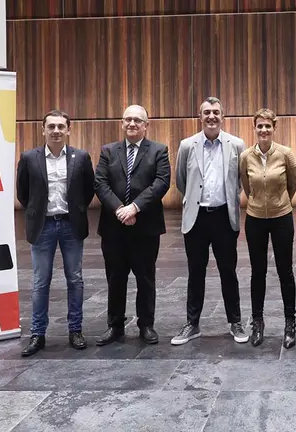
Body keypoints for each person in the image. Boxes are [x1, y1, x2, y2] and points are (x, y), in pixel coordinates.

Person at [16, 109, 95, 357]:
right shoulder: (29, 158)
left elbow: (88, 189)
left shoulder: (80, 157)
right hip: (43, 226)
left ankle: (76, 330)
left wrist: (78, 210)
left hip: (71, 225)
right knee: (41, 282)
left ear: (69, 130)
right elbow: (23, 193)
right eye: (51, 126)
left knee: (75, 279)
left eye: (61, 126)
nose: (56, 131)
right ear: (43, 130)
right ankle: (38, 334)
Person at [172, 96, 249, 345]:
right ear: (200, 116)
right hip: (196, 219)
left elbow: (240, 180)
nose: (212, 116)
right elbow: (182, 181)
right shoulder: (187, 145)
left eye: (216, 112)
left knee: (229, 272)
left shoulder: (237, 145)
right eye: (207, 112)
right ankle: (192, 324)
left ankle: (235, 322)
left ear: (223, 116)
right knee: (196, 273)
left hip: (224, 218)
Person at [93, 104, 171, 346]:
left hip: (145, 227)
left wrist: (134, 208)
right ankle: (114, 325)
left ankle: (146, 325)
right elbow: (100, 183)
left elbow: (161, 182)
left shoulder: (159, 150)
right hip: (114, 227)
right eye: (128, 119)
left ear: (146, 125)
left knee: (145, 278)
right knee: (115, 277)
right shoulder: (108, 151)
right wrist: (120, 210)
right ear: (122, 123)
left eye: (138, 120)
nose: (132, 124)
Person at [239, 108, 296, 349]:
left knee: (285, 271)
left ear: (274, 128)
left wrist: (278, 203)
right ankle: (257, 321)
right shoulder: (245, 156)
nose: (264, 130)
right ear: (254, 129)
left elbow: (292, 186)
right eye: (259, 126)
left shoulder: (286, 154)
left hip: (282, 217)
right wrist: (257, 202)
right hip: (254, 219)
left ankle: (290, 322)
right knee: (257, 272)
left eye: (267, 126)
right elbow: (246, 185)